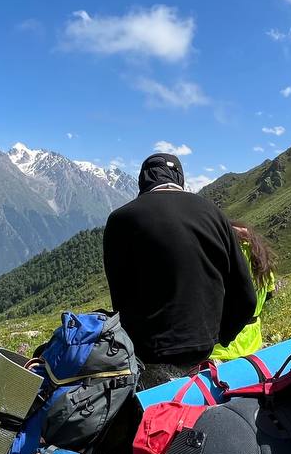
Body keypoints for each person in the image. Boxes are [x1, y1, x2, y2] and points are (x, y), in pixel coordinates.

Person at [103, 153, 257, 387]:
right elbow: (246, 297)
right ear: (180, 179)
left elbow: (119, 296)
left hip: (149, 353)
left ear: (143, 181)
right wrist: (220, 337)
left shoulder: (120, 219)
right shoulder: (214, 214)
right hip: (204, 349)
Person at [212, 221, 276, 361]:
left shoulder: (221, 257)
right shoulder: (262, 258)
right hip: (253, 341)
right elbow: (269, 294)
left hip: (220, 348)